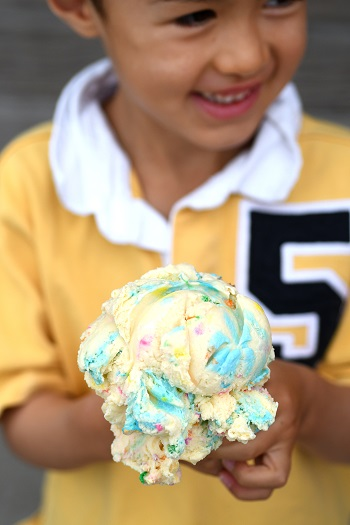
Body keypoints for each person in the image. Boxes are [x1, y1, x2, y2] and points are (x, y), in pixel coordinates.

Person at [1, 0, 350, 523]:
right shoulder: (24, 187)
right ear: (78, 8)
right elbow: (24, 418)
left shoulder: (342, 177)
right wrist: (131, 415)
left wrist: (310, 403)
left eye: (277, 0)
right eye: (196, 16)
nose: (245, 56)